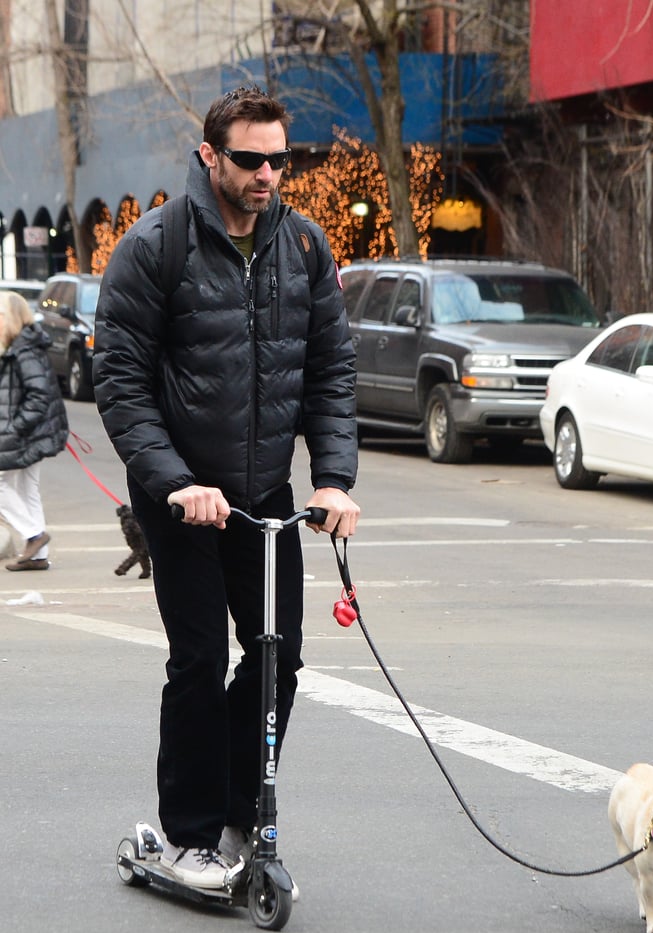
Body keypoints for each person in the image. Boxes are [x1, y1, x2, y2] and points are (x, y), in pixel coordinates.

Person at [93, 86, 360, 890]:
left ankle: (244, 811)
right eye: (250, 159)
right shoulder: (155, 247)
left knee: (281, 657)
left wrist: (335, 480)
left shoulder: (306, 248)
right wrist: (174, 482)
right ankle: (190, 835)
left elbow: (329, 375)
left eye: (281, 159)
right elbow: (122, 382)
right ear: (210, 155)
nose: (269, 174)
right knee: (201, 658)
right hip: (181, 495)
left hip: (264, 493)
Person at [0, 289, 69, 572]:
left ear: (13, 317)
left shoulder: (23, 350)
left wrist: (15, 428)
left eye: (1, 314)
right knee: (29, 488)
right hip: (32, 432)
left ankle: (33, 535)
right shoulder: (22, 346)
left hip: (25, 433)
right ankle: (38, 555)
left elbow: (38, 395)